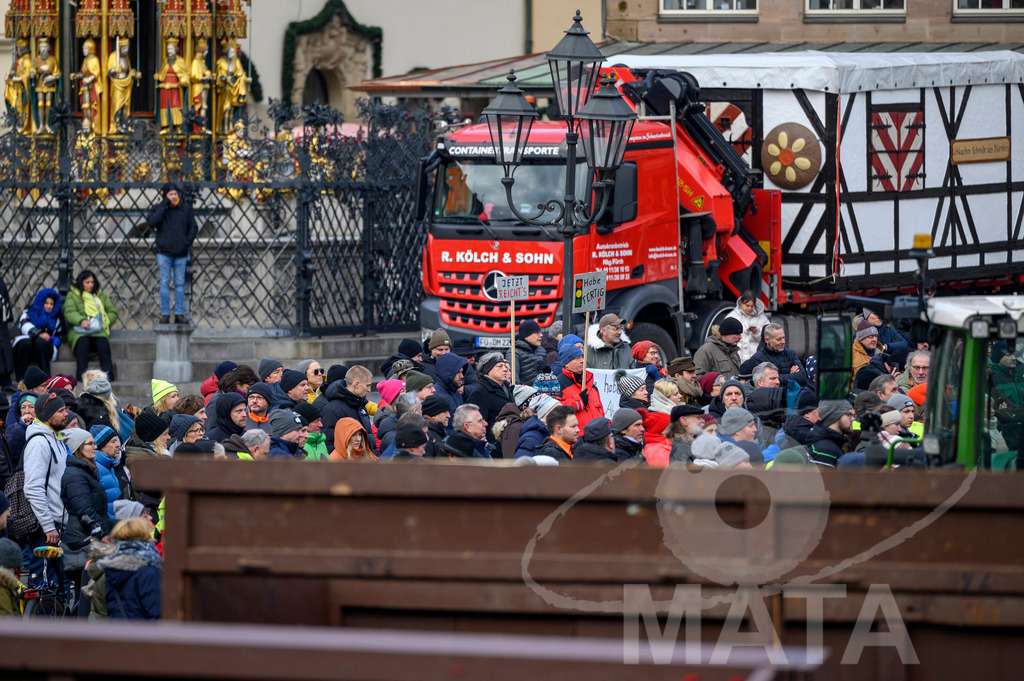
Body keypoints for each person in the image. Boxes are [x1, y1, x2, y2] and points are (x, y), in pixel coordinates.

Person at [59, 428, 114, 594]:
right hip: (82, 541)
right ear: (78, 448)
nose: (95, 447)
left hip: (88, 538)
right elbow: (85, 510)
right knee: (86, 593)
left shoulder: (85, 471)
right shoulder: (76, 475)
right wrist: (103, 533)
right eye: (90, 444)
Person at [22, 393, 69, 581]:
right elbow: (33, 488)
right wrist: (49, 526)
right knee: (44, 589)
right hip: (46, 529)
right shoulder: (39, 443)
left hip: (57, 525)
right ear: (48, 416)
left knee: (59, 587)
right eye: (60, 411)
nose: (66, 414)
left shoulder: (55, 437)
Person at [146, 182, 199, 324]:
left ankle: (179, 313)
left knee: (180, 283)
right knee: (164, 283)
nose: (174, 197)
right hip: (164, 252)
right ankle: (165, 314)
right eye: (171, 194)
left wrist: (186, 242)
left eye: (175, 194)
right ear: (165, 196)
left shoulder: (186, 208)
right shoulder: (158, 208)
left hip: (180, 253)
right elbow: (152, 222)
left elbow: (193, 227)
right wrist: (164, 206)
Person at [100, 517, 162, 619]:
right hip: (143, 633)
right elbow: (157, 613)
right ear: (145, 535)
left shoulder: (112, 566)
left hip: (119, 632)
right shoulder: (148, 569)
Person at [64, 271, 119, 382]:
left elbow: (112, 311)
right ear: (81, 283)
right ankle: (81, 378)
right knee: (83, 342)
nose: (90, 285)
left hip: (98, 330)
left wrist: (104, 322)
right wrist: (81, 321)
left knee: (103, 343)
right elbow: (69, 312)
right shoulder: (73, 295)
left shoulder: (100, 295)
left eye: (92, 282)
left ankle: (109, 379)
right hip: (80, 331)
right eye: (87, 282)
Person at [321, 365, 375, 454]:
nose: (369, 390)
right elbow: (329, 444)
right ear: (356, 384)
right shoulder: (333, 409)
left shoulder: (360, 404)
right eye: (367, 385)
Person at [13, 288, 63, 379]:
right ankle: (21, 378)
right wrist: (39, 333)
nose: (49, 306)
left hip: (44, 349)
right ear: (41, 302)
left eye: (52, 304)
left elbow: (57, 335)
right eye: (46, 303)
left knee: (40, 342)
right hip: (27, 347)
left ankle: (46, 378)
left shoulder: (56, 319)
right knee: (25, 343)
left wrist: (44, 338)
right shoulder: (29, 312)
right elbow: (24, 325)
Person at [465, 353, 515, 443]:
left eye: (505, 366)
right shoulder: (480, 393)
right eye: (500, 366)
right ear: (487, 370)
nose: (505, 369)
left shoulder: (506, 389)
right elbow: (476, 425)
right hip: (494, 448)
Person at [556, 343, 604, 428]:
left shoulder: (591, 385)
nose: (582, 361)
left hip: (598, 435)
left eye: (582, 357)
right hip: (577, 438)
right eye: (577, 358)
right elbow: (555, 410)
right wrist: (578, 402)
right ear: (566, 364)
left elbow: (601, 412)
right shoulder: (558, 384)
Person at [806, 400, 855, 467]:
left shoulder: (831, 444)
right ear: (835, 416)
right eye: (849, 414)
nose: (853, 419)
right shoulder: (826, 451)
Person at [725, 292, 771, 363]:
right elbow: (725, 338)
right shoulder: (732, 316)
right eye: (747, 305)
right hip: (737, 360)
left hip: (756, 360)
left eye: (752, 306)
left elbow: (770, 338)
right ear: (741, 303)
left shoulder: (762, 319)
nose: (749, 308)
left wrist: (757, 332)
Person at [154, 38, 189, 131]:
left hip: (175, 87)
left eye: (171, 49)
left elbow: (185, 73)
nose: (169, 52)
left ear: (176, 50)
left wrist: (183, 80)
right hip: (164, 86)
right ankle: (166, 125)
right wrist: (158, 76)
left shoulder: (180, 61)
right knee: (165, 105)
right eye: (168, 49)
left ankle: (177, 125)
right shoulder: (166, 61)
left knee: (175, 105)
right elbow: (162, 72)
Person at [89, 425, 123, 520]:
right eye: (113, 442)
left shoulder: (109, 465)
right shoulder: (96, 468)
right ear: (101, 445)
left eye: (116, 440)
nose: (118, 445)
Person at [507, 320, 548, 386]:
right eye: (537, 333)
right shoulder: (514, 352)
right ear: (526, 336)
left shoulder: (541, 351)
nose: (541, 335)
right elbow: (514, 381)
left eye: (541, 332)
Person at [434, 353, 469, 428]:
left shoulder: (456, 393)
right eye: (458, 372)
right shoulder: (437, 396)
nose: (462, 376)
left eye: (462, 372)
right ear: (447, 373)